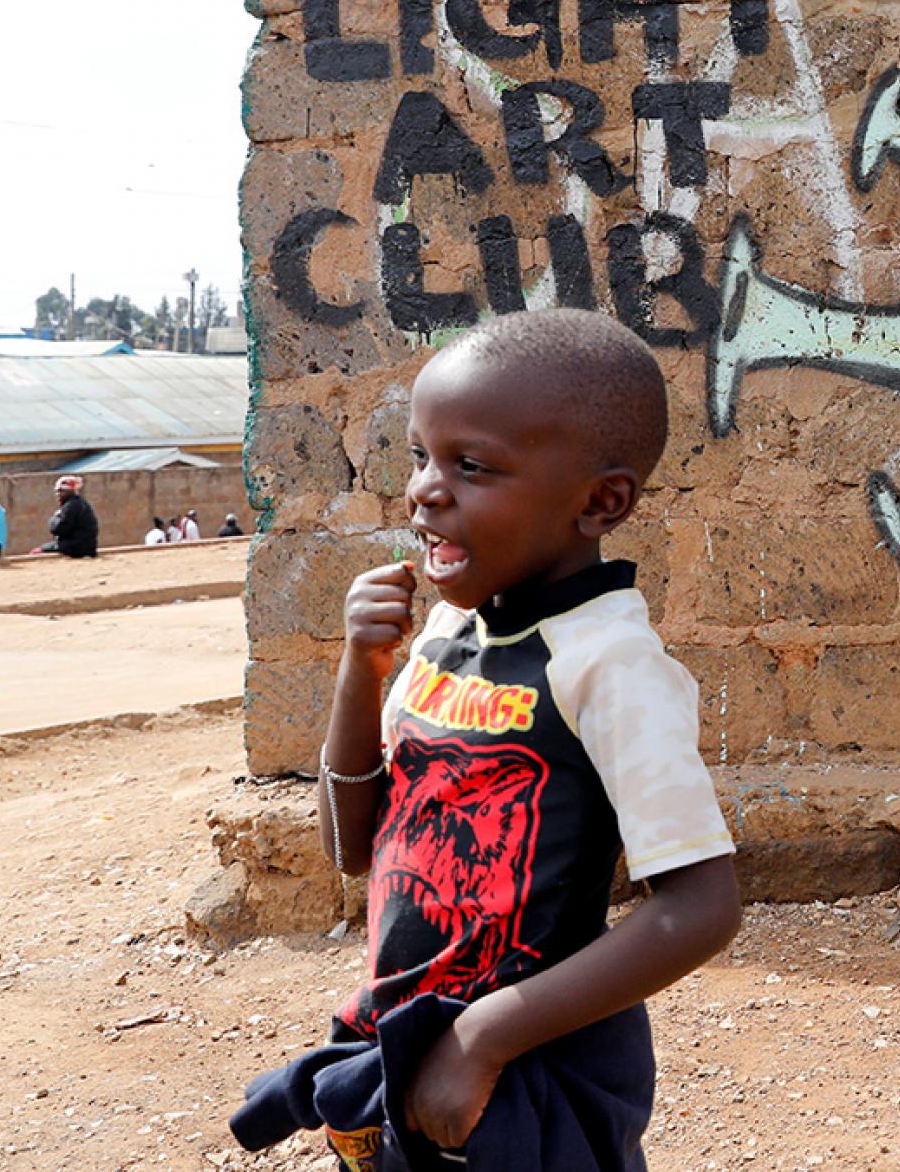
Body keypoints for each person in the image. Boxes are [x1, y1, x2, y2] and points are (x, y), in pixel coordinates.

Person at [231, 309, 736, 1170]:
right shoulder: (445, 639)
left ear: (600, 501)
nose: (427, 488)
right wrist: (361, 670)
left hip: (536, 1071)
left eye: (471, 465)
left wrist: (484, 1038)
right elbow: (354, 846)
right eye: (421, 455)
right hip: (407, 1040)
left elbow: (701, 907)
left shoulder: (610, 664)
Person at [41, 476, 100, 559]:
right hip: (89, 548)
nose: (58, 494)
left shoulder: (71, 506)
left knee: (38, 551)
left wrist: (53, 519)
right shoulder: (81, 503)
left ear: (71, 491)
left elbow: (59, 529)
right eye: (57, 491)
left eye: (61, 491)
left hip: (75, 547)